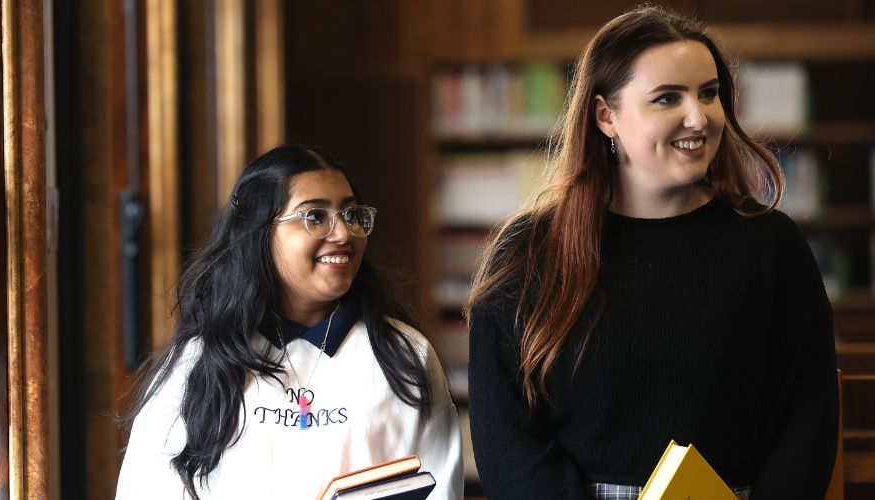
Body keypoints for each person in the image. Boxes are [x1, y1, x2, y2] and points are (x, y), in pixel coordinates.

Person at [465, 6, 838, 500]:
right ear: (606, 116)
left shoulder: (772, 246)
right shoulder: (527, 254)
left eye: (709, 93)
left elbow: (806, 418)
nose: (698, 117)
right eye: (667, 98)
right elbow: (505, 435)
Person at [117, 144, 462, 499]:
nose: (343, 234)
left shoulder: (405, 356)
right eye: (315, 217)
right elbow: (145, 488)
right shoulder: (198, 362)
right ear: (260, 232)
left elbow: (440, 487)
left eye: (351, 215)